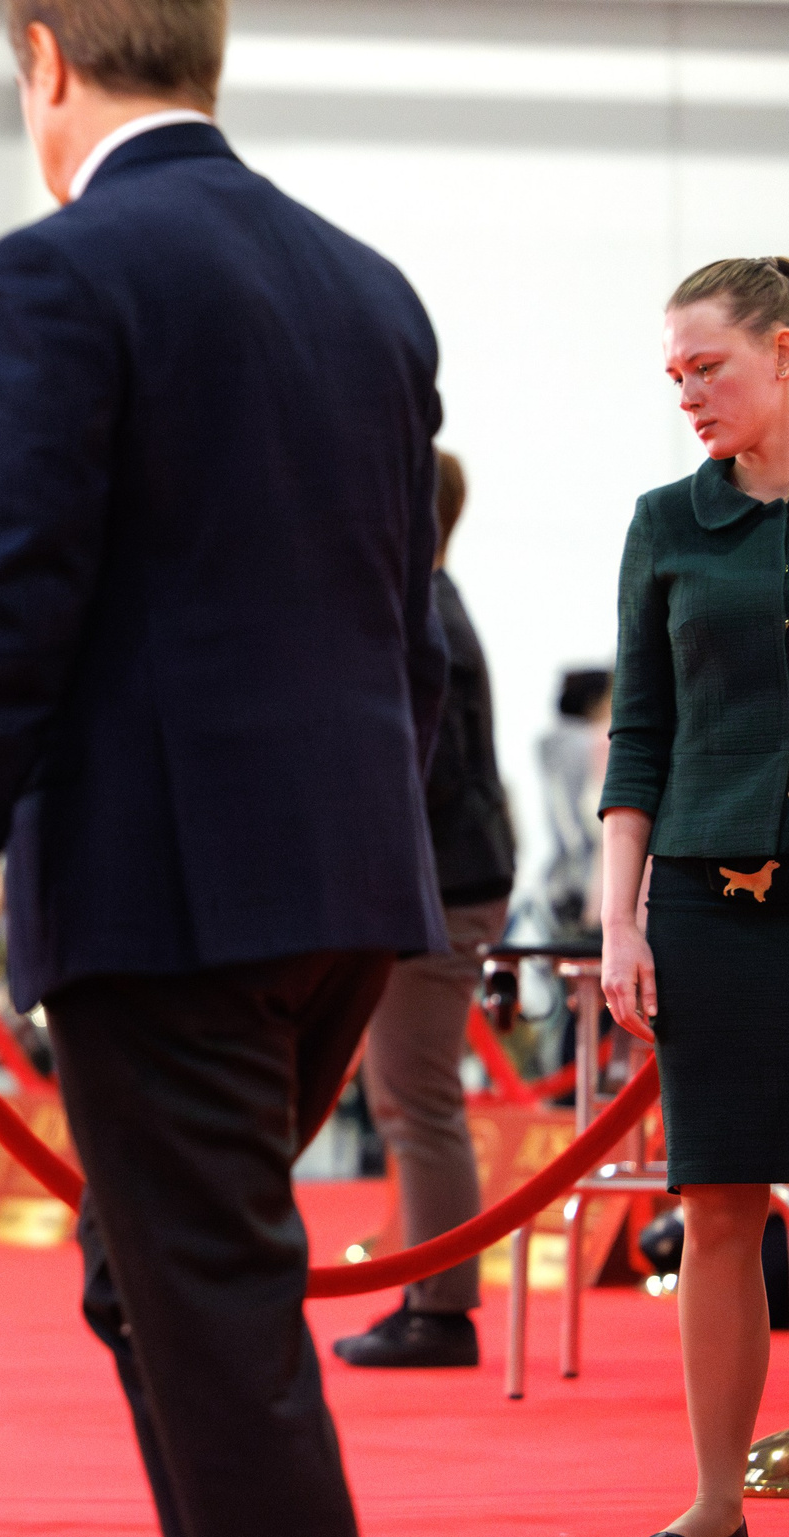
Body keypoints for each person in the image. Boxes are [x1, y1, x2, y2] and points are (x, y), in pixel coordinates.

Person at [0, 5, 447, 1537]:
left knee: (220, 1321)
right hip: (344, 891)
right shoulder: (368, 285)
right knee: (159, 1285)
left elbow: (7, 616)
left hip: (170, 897)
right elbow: (409, 636)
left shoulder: (62, 270)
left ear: (42, 59)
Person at [597, 257, 789, 1537]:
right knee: (715, 1206)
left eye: (708, 366)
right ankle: (716, 1505)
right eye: (674, 376)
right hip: (705, 907)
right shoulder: (666, 523)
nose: (689, 395)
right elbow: (639, 738)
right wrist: (620, 921)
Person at [335, 450, 517, 1369]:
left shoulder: (424, 615)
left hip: (440, 891)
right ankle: (428, 1293)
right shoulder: (432, 605)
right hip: (444, 884)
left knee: (418, 1098)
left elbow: (425, 778)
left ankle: (442, 1308)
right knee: (406, 1094)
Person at [537, 666, 613, 938]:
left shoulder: (551, 744)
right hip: (592, 878)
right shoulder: (595, 744)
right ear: (594, 702)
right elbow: (594, 818)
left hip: (557, 879)